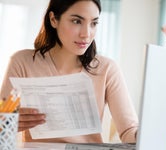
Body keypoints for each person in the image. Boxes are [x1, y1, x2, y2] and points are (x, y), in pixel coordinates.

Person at [0, 0, 138, 143]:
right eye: (77, 21)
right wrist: (7, 124)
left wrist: (142, 135)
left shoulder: (107, 68)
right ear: (53, 19)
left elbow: (129, 130)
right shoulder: (22, 62)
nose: (86, 34)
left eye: (94, 23)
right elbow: (2, 124)